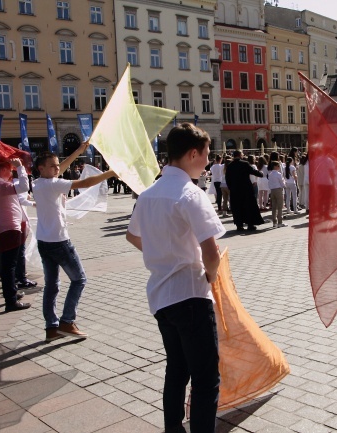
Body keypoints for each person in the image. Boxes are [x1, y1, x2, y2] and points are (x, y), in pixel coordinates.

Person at [126, 123, 224, 433]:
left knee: (177, 370)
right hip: (191, 293)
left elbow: (132, 235)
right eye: (206, 155)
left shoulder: (149, 193)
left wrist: (159, 253)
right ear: (193, 153)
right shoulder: (190, 194)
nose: (207, 162)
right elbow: (211, 251)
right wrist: (211, 273)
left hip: (161, 296)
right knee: (206, 377)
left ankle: (173, 429)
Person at [33, 143, 116, 342]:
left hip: (44, 240)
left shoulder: (38, 183)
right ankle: (67, 321)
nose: (57, 168)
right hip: (60, 242)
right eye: (52, 166)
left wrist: (78, 151)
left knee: (51, 286)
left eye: (56, 165)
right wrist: (110, 173)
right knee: (79, 280)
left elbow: (61, 168)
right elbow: (86, 184)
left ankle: (51, 327)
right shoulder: (53, 184)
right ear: (41, 168)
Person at [0, 158, 31, 312]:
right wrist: (20, 167)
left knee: (8, 264)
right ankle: (10, 301)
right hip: (9, 226)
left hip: (4, 226)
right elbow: (24, 186)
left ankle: (12, 293)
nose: (11, 172)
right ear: (3, 169)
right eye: (10, 169)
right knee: (9, 266)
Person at [225, 150, 264, 231]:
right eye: (242, 154)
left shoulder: (230, 166)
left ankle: (239, 225)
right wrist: (261, 174)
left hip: (235, 190)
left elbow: (227, 178)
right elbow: (252, 171)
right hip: (246, 189)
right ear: (240, 155)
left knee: (237, 207)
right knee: (248, 206)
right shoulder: (244, 163)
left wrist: (231, 187)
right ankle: (250, 224)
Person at [268, 160, 286, 228]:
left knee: (274, 207)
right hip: (278, 189)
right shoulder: (278, 174)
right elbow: (281, 182)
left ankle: (274, 222)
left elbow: (269, 183)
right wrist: (284, 186)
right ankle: (280, 222)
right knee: (280, 206)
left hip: (272, 190)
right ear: (275, 166)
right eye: (278, 166)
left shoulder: (270, 174)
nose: (279, 167)